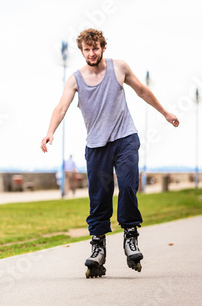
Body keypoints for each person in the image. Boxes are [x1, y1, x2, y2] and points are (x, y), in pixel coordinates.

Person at [40, 29, 179, 278]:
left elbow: (142, 91)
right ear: (82, 51)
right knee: (99, 196)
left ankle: (130, 236)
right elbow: (61, 107)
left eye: (95, 48)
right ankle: (98, 246)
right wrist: (50, 131)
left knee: (127, 186)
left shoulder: (119, 67)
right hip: (96, 146)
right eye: (87, 49)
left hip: (125, 138)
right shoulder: (75, 79)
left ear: (103, 47)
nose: (91, 53)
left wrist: (165, 113)